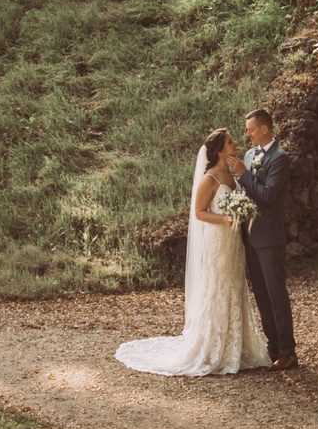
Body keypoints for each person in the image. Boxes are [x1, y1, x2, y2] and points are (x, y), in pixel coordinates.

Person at [113, 128, 271, 377]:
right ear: (220, 150)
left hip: (234, 243)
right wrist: (225, 219)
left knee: (235, 284)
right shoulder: (210, 178)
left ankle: (236, 346)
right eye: (230, 142)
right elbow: (199, 212)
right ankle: (212, 348)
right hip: (218, 240)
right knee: (218, 286)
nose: (236, 143)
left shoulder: (232, 175)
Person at [238, 107, 297, 370]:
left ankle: (288, 351)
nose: (248, 135)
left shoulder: (280, 158)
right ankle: (273, 346)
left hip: (270, 236)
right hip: (250, 235)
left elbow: (268, 195)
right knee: (261, 295)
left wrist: (244, 174)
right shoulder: (249, 155)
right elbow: (247, 192)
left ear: (265, 129)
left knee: (276, 294)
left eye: (251, 130)